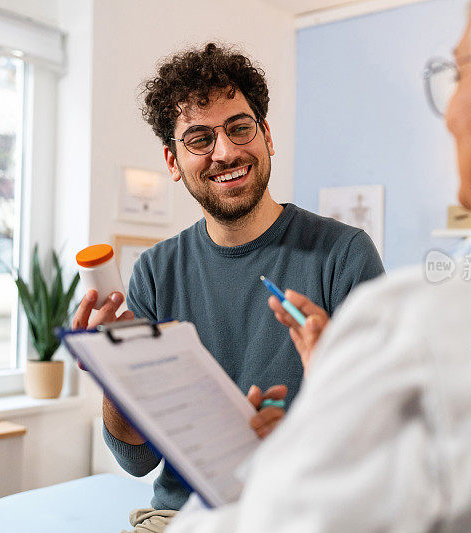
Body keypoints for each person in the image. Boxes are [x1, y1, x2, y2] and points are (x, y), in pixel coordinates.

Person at [167, 0, 471, 531]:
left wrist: (258, 450)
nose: (453, 114)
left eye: (458, 73)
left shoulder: (416, 329)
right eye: (197, 139)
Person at [72, 43, 384, 532]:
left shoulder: (343, 254)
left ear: (267, 136)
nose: (226, 151)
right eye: (199, 138)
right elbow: (136, 460)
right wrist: (114, 377)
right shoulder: (156, 270)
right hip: (180, 518)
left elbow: (381, 433)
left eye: (240, 127)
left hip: (298, 514)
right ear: (173, 162)